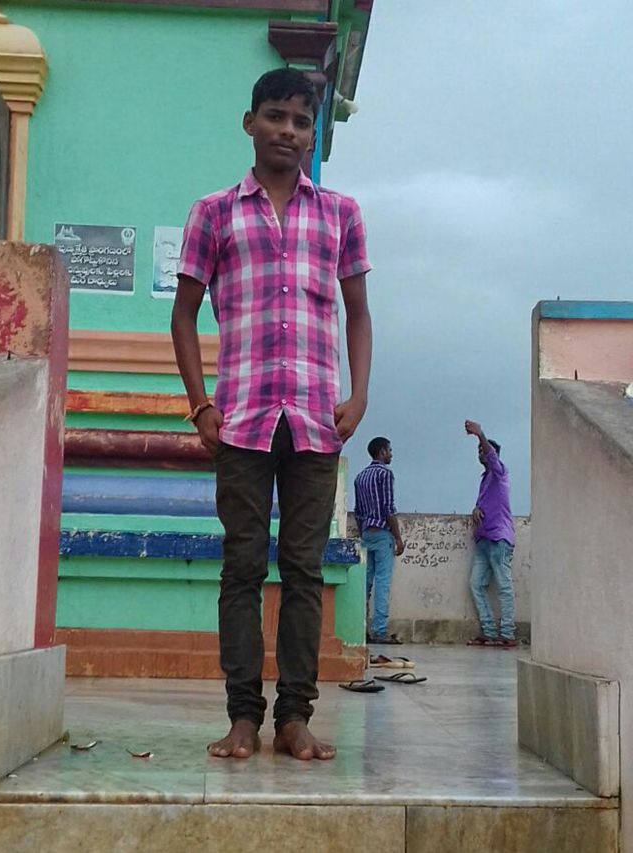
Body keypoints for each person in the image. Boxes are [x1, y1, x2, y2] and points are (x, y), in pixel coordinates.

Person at [171, 68, 372, 761]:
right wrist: (200, 404)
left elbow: (358, 313)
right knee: (242, 567)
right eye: (276, 116)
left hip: (317, 420)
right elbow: (183, 314)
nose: (288, 130)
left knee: (305, 570)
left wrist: (359, 395)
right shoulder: (214, 213)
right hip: (242, 420)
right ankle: (241, 716)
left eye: (301, 121)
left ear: (312, 134)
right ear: (250, 122)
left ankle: (294, 717)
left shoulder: (340, 214)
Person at [464, 420, 517, 648]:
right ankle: (489, 631)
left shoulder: (500, 472)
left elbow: (491, 456)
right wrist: (476, 509)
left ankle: (507, 633)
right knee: (476, 584)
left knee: (504, 586)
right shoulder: (485, 480)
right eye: (478, 451)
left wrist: (480, 434)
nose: (481, 453)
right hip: (484, 540)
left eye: (483, 450)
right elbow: (484, 504)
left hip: (499, 538)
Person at [354, 437, 405, 644]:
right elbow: (388, 508)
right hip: (383, 533)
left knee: (364, 583)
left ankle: (359, 629)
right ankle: (380, 631)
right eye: (389, 450)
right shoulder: (385, 474)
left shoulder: (360, 477)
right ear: (382, 452)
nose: (391, 454)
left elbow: (358, 511)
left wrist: (362, 533)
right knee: (382, 582)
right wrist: (398, 537)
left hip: (367, 533)